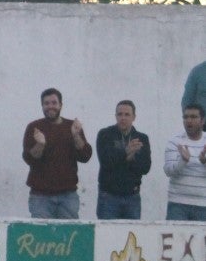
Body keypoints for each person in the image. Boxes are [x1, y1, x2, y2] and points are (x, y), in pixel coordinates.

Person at [22, 87, 91, 219]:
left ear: (61, 105)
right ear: (42, 106)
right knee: (42, 232)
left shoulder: (72, 127)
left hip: (68, 196)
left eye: (54, 103)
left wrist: (76, 136)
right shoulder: (34, 127)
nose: (50, 106)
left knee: (69, 231)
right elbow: (29, 159)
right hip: (40, 197)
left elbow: (85, 156)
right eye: (46, 103)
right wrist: (40, 144)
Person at [95, 100, 151, 220]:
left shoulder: (142, 138)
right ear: (115, 116)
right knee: (108, 231)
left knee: (131, 231)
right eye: (120, 114)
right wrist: (126, 152)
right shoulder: (105, 134)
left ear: (134, 117)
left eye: (127, 114)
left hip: (132, 197)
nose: (123, 118)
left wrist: (131, 158)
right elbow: (106, 162)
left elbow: (145, 167)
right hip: (108, 197)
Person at [164, 104, 206, 221]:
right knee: (175, 234)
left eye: (193, 117)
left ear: (203, 121)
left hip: (203, 204)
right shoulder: (175, 142)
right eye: (185, 117)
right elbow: (168, 171)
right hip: (178, 204)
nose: (189, 120)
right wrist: (182, 161)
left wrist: (204, 162)